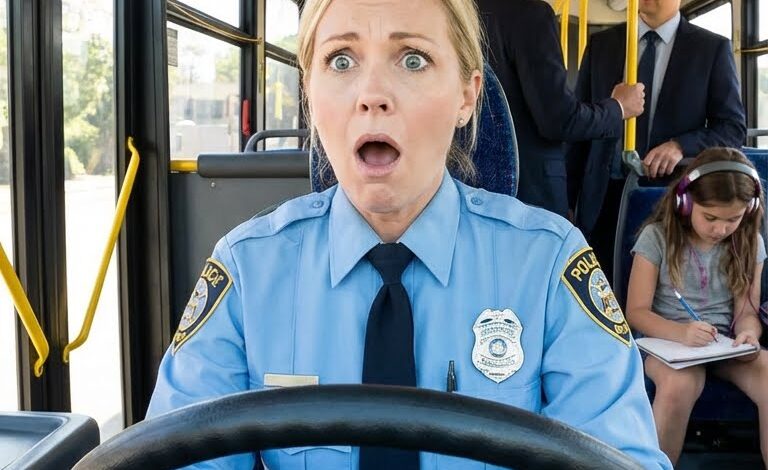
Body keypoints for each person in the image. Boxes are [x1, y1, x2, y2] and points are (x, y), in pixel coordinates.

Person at [146, 0, 672, 468]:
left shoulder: (549, 266)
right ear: (309, 94)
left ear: (467, 96)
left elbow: (618, 455)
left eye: (413, 59)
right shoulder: (246, 271)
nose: (372, 95)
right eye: (341, 61)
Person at [567, 0, 746, 281]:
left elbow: (732, 129)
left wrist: (681, 146)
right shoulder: (602, 44)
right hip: (602, 197)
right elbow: (581, 128)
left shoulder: (710, 49)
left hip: (668, 197)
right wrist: (567, 199)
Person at [625, 148, 767, 465]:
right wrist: (681, 333)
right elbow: (636, 312)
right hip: (666, 344)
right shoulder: (656, 237)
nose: (720, 229)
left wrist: (748, 334)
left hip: (723, 345)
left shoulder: (749, 242)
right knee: (681, 382)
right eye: (710, 218)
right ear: (686, 203)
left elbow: (747, 311)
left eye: (733, 219)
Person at [476, 0, 645, 218]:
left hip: (466, 184)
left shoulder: (458, 12)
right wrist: (619, 107)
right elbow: (559, 120)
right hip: (528, 194)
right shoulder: (530, 14)